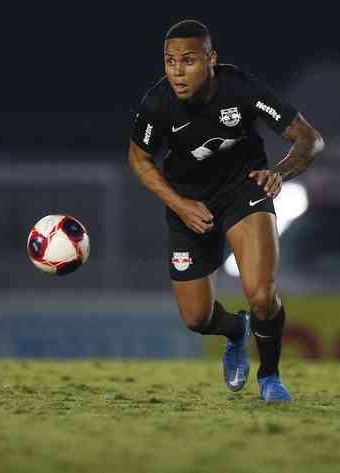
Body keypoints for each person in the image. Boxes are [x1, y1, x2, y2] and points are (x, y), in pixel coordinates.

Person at [128, 19, 324, 401]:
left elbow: (309, 139)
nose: (177, 71)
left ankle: (270, 378)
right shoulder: (157, 104)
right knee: (196, 319)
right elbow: (139, 159)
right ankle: (236, 330)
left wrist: (279, 172)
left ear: (210, 59)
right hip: (190, 205)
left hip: (243, 192)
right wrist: (179, 205)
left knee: (262, 294)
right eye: (169, 61)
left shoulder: (241, 87)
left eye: (187, 61)